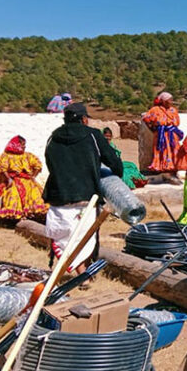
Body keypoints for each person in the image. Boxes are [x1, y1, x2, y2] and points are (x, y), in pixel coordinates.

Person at [44, 103, 123, 274]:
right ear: (84, 119)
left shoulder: (53, 137)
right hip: (86, 195)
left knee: (65, 234)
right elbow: (112, 159)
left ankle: (80, 271)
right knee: (84, 236)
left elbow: (49, 162)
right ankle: (83, 273)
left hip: (59, 194)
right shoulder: (92, 136)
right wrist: (117, 176)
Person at [0, 135, 48, 221]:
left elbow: (37, 165)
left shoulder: (28, 156)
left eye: (24, 144)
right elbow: (3, 169)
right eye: (22, 144)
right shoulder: (6, 156)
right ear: (16, 145)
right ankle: (14, 217)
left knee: (34, 193)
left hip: (27, 180)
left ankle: (34, 214)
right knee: (13, 194)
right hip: (13, 181)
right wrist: (9, 179)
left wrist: (33, 176)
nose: (24, 146)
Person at [143, 92, 183, 181]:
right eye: (169, 100)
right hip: (161, 134)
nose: (171, 102)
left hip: (172, 134)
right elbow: (146, 118)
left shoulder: (173, 110)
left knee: (174, 151)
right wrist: (153, 129)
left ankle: (173, 170)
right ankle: (162, 170)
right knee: (162, 150)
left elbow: (177, 122)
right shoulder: (155, 110)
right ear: (163, 101)